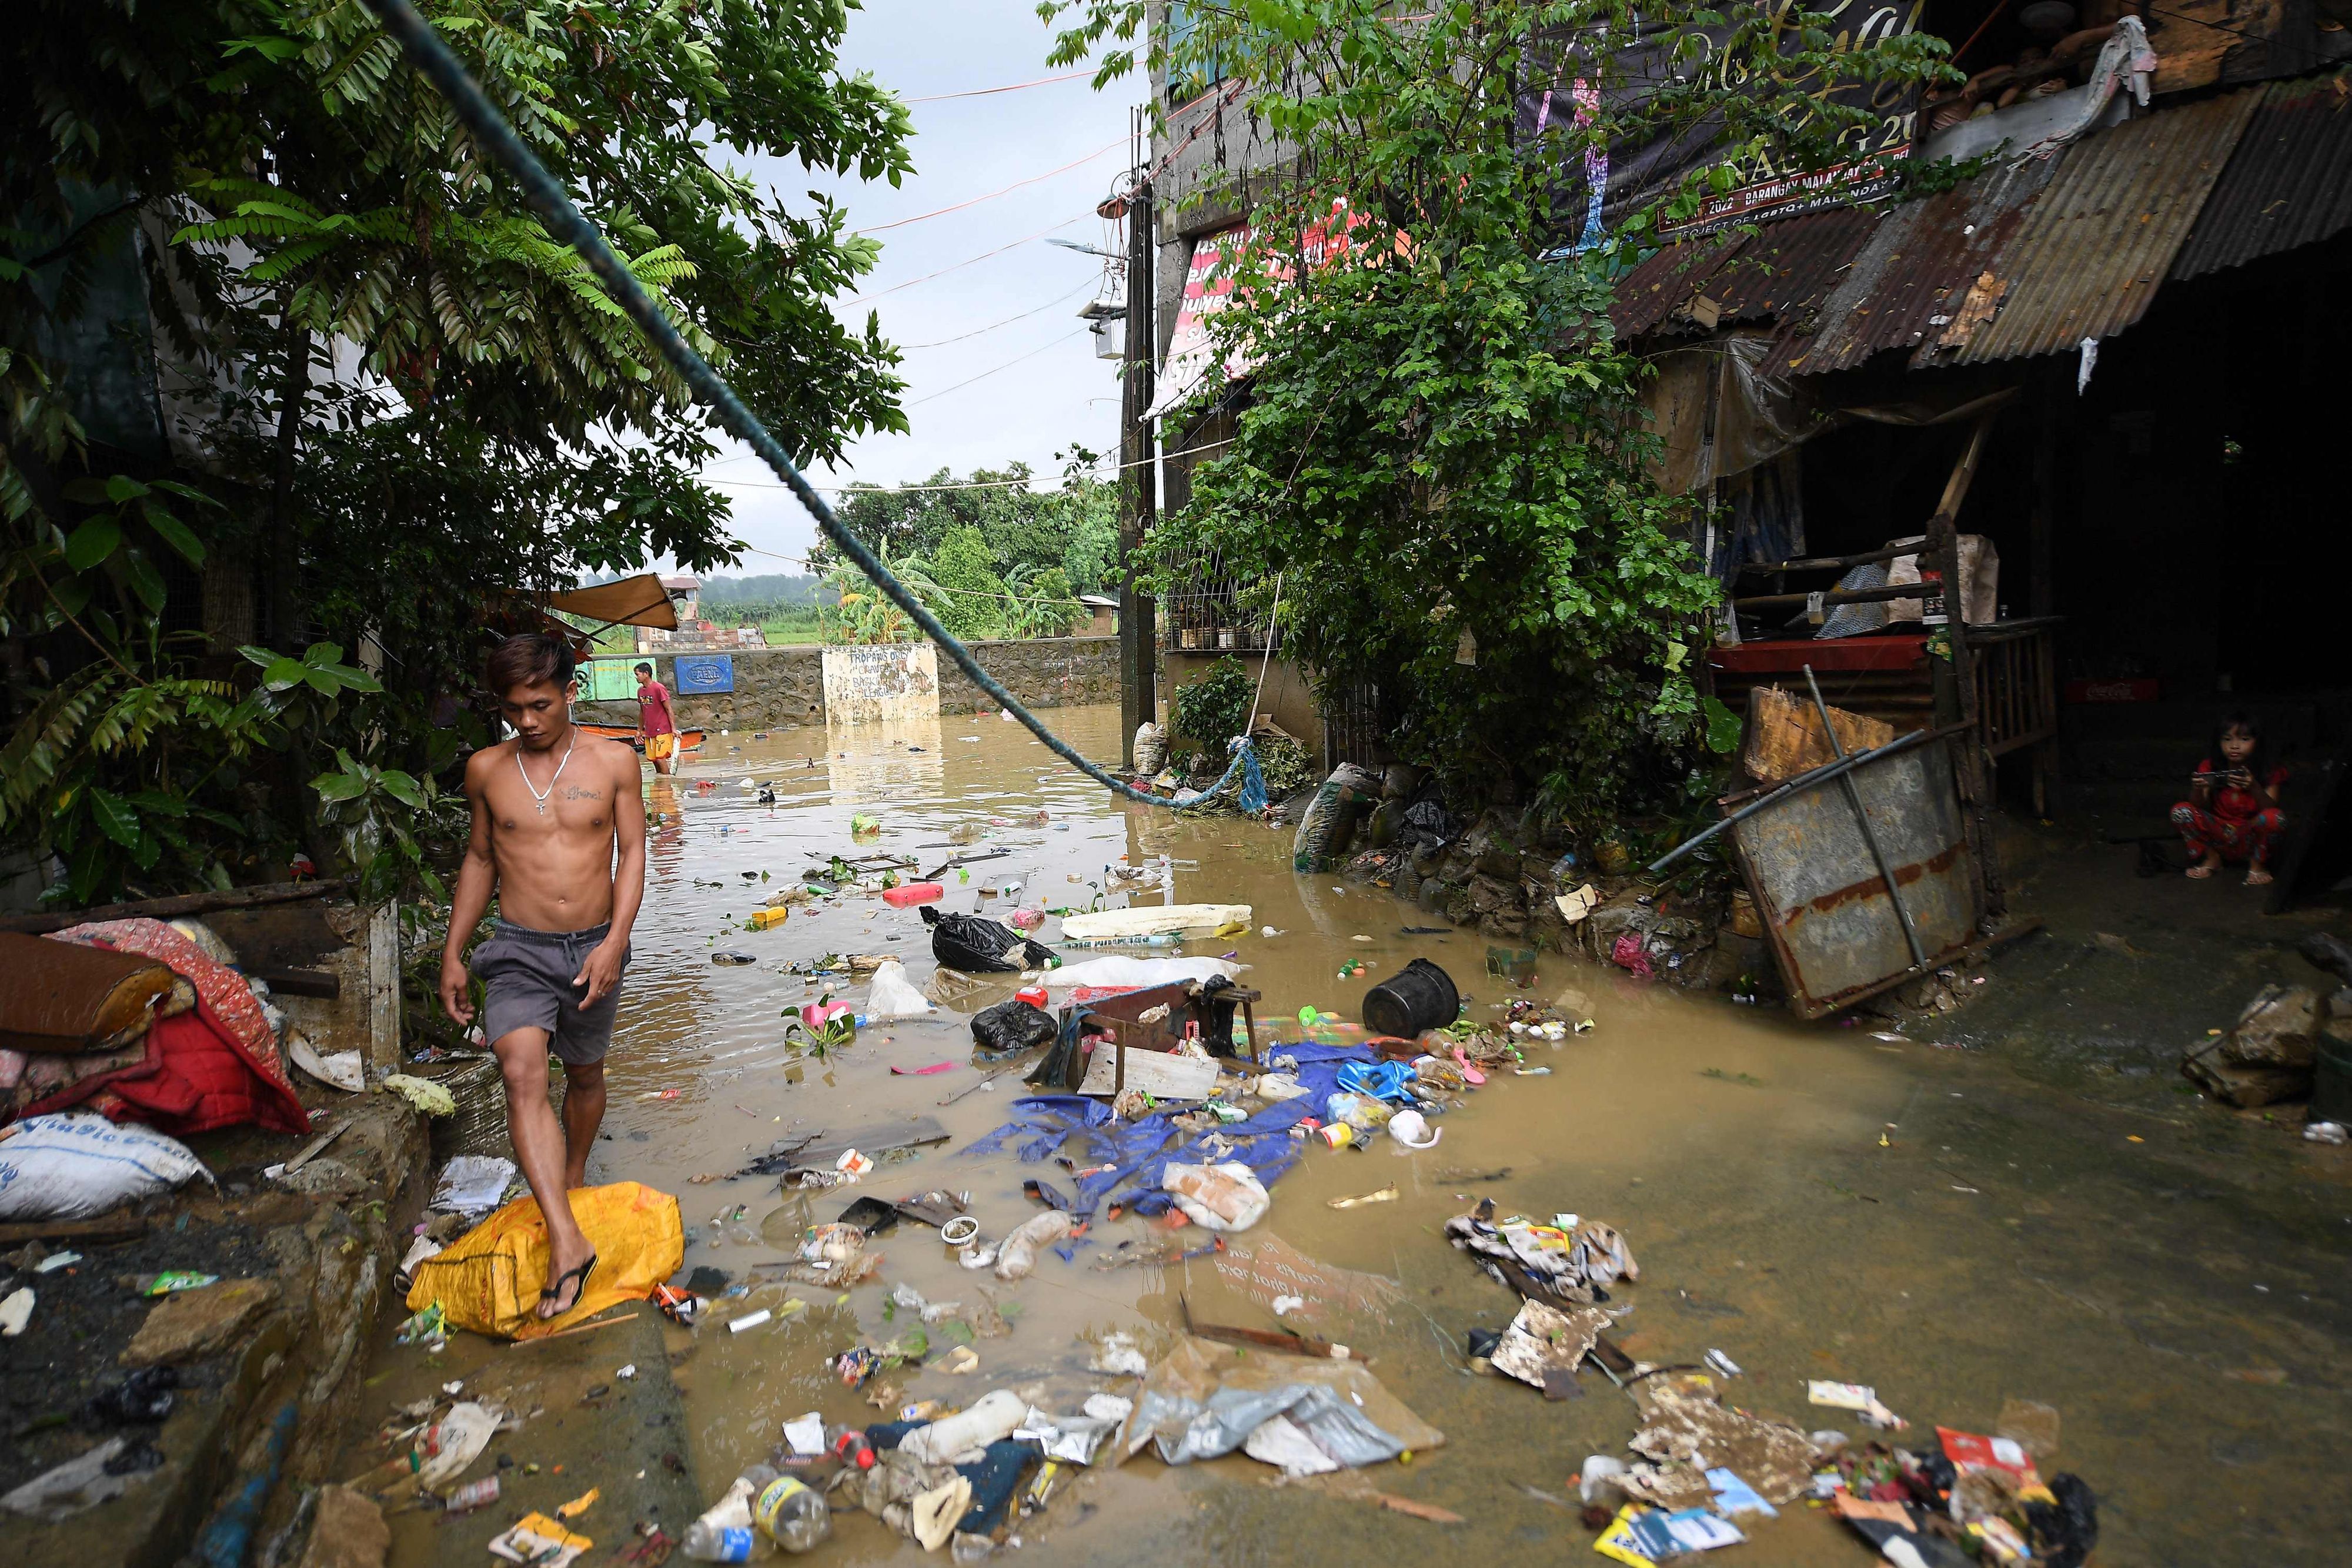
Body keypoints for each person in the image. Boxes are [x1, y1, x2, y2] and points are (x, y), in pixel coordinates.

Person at [440, 634, 647, 1318]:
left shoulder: (615, 762)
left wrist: (616, 942)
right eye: (512, 709)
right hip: (518, 949)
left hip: (594, 948)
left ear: (568, 694)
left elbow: (633, 853)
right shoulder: (485, 770)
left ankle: (573, 1179)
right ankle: (566, 1239)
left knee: (585, 1075)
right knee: (522, 1071)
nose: (525, 721)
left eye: (538, 705)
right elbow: (478, 859)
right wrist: (454, 952)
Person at [2172, 713, 2287, 886]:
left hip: (2249, 837)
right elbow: (2197, 806)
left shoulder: (2269, 769)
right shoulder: (2210, 766)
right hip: (2218, 835)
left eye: (2244, 739)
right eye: (2227, 739)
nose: (2234, 746)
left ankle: (2257, 865)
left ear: (2257, 742)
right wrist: (2197, 789)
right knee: (2181, 811)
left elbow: (2271, 809)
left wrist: (2254, 786)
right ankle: (2212, 859)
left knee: (2275, 817)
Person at [635, 660, 676, 775]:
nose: (636, 678)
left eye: (638, 674)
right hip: (649, 730)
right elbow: (642, 711)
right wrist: (639, 730)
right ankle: (661, 783)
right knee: (653, 759)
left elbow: (669, 709)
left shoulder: (659, 688)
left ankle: (668, 783)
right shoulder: (640, 691)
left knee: (660, 758)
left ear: (646, 674)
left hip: (662, 729)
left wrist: (673, 729)